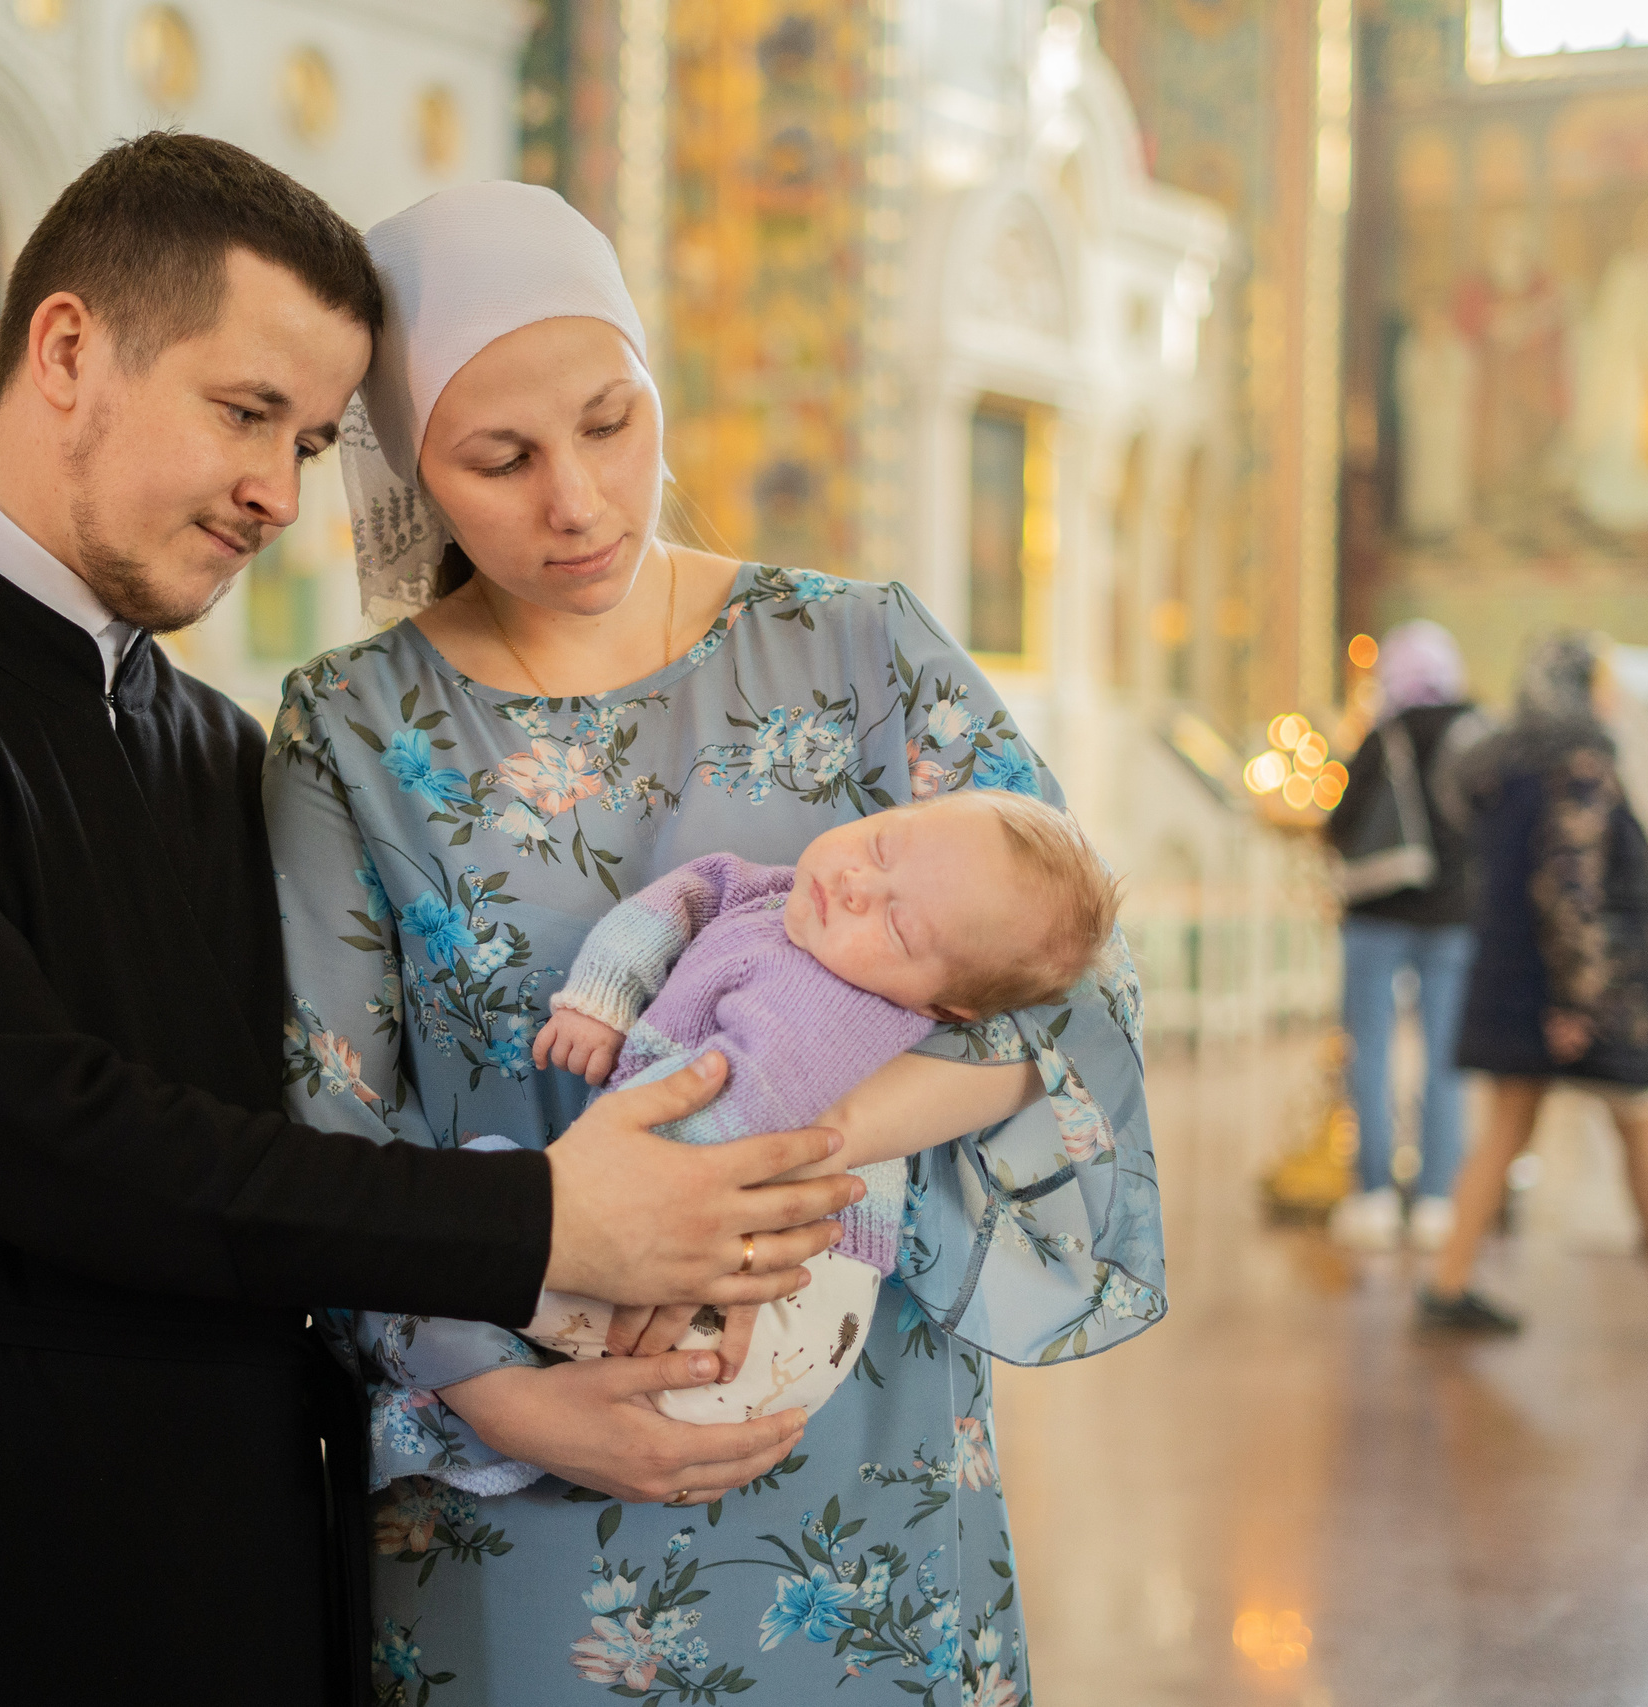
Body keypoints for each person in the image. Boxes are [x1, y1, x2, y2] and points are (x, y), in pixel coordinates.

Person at [0, 135, 859, 1706]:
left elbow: (300, 1124)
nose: (279, 489)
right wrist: (541, 1220)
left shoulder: (215, 744)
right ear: (70, 349)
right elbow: (53, 1136)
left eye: (316, 437)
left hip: (222, 1569)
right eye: (242, 411)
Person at [267, 181, 1162, 1702]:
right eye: (502, 457)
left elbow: (1080, 988)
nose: (579, 500)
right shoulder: (354, 727)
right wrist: (515, 1408)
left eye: (614, 423)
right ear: (410, 470)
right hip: (521, 1486)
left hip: (859, 1462)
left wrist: (806, 1136)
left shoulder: (863, 649)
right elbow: (328, 1117)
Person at [522, 794, 1122, 1426]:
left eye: (899, 926)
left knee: (480, 1246)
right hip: (716, 1255)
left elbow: (727, 1117)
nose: (857, 883)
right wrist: (602, 997)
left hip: (783, 1303)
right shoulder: (782, 898)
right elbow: (691, 891)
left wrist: (585, 1195)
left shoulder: (837, 1008)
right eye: (882, 845)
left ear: (941, 1008)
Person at [1420, 632, 1648, 1339]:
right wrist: (1578, 1000)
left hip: (1516, 983)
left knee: (1510, 1131)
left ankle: (1448, 1281)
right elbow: (1568, 888)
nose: (1611, 699)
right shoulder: (1577, 763)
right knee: (1637, 1121)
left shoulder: (1504, 766)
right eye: (1601, 683)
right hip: (1574, 991)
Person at [1324, 620, 1488, 1253]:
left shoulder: (1383, 734)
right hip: (1454, 919)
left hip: (1377, 915)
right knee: (1447, 1060)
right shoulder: (1476, 736)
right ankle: (1438, 1202)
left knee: (1371, 1052)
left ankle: (1373, 1198)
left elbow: (1341, 823)